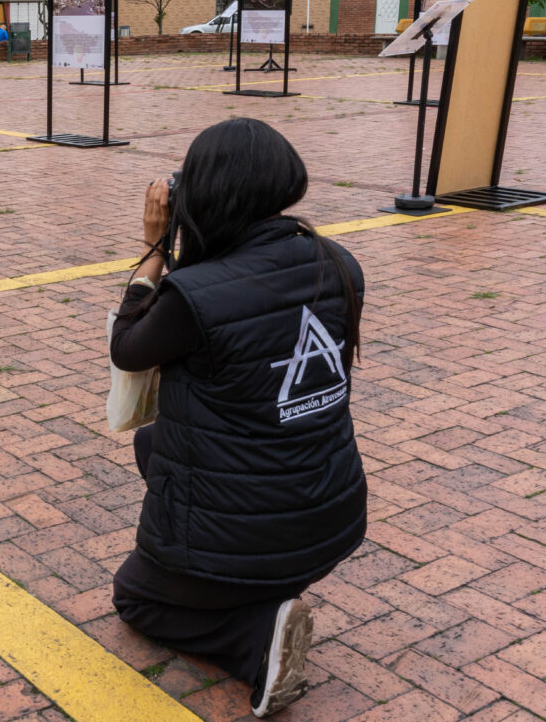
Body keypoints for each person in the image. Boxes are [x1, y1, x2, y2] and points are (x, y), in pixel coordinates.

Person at [109, 118, 366, 719]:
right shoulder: (339, 263)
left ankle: (254, 639)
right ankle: (265, 588)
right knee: (155, 445)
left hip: (247, 539)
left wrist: (153, 249)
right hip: (331, 520)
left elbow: (127, 348)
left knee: (135, 597)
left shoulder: (194, 295)